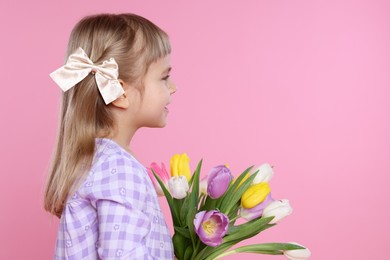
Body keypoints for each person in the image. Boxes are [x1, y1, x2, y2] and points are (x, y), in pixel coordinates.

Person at [44, 13, 176, 259]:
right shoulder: (120, 170)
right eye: (164, 77)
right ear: (121, 94)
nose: (173, 87)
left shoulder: (96, 161)